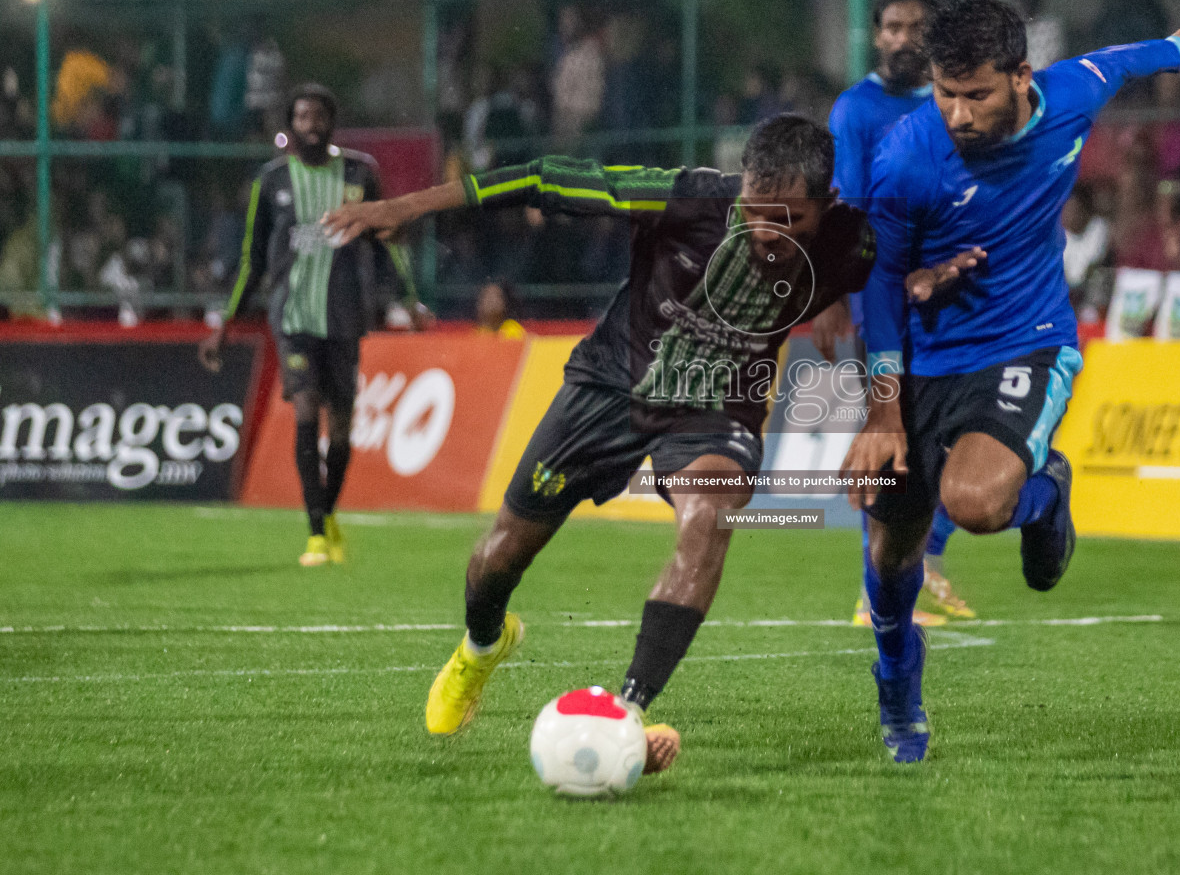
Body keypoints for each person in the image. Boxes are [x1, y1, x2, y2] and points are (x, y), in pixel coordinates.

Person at [321, 115, 877, 777]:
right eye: (756, 213)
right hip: (611, 386)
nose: (767, 233)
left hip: (717, 409)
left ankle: (628, 712)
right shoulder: (688, 198)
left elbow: (902, 289)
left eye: (789, 219)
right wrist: (405, 207)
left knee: (708, 520)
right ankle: (480, 647)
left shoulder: (852, 242)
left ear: (824, 205)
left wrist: (880, 372)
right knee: (501, 553)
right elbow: (542, 179)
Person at [842, 0, 1180, 763]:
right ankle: (897, 690)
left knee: (977, 503)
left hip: (1027, 342)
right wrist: (883, 416)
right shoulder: (905, 157)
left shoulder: (1067, 96)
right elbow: (879, 288)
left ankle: (1045, 495)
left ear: (1022, 78)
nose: (957, 114)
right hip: (921, 364)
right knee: (891, 561)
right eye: (945, 94)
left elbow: (1117, 63)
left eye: (976, 95)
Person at [199, 84, 428, 566]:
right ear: (290, 124)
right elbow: (251, 261)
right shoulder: (271, 180)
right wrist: (224, 325)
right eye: (302, 116)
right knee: (305, 410)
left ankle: (326, 513)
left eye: (318, 115)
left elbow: (385, 242)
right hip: (293, 316)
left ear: (331, 121)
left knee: (341, 429)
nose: (310, 124)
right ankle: (316, 532)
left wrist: (410, 298)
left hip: (345, 316)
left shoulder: (360, 174)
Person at [820, 0, 971, 626]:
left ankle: (923, 557)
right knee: (892, 439)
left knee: (966, 437)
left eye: (913, 27)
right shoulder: (856, 110)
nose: (900, 38)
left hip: (953, 297)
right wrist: (836, 295)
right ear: (876, 34)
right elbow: (846, 210)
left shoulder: (953, 103)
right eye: (890, 26)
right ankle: (873, 591)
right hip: (882, 299)